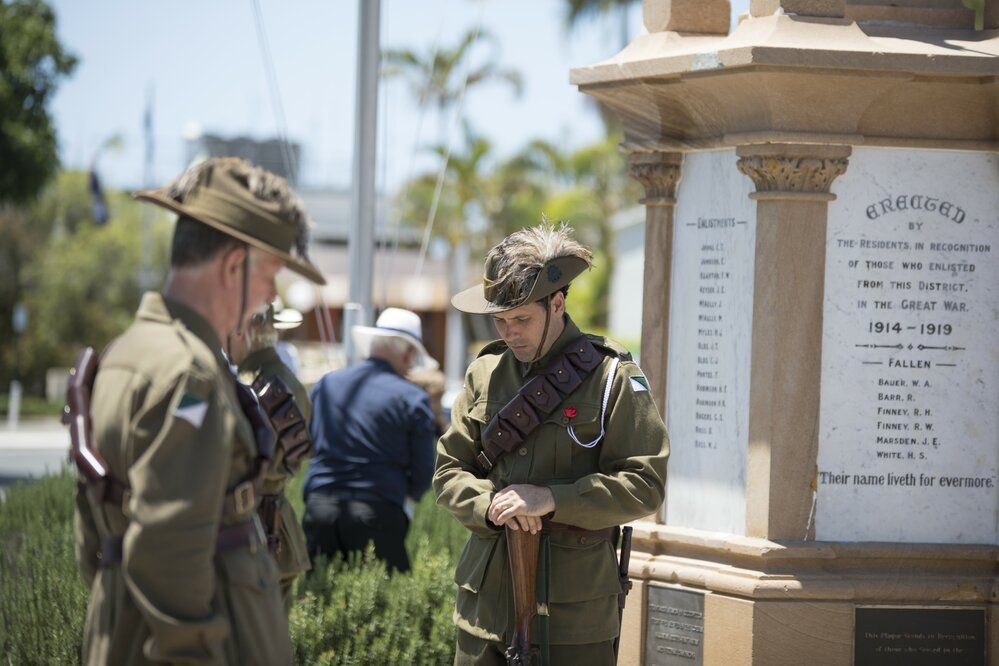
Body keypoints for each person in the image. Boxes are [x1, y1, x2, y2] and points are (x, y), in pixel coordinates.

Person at [72, 157, 325, 665]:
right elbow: (171, 545)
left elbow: (92, 531)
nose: (268, 297)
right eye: (270, 275)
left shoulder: (127, 351)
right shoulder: (190, 374)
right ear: (234, 265)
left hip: (122, 629)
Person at [434, 223, 669, 665]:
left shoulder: (611, 377)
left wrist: (550, 499)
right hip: (485, 607)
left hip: (573, 616)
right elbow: (448, 473)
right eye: (499, 321)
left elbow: (645, 484)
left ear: (557, 303)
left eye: (521, 319)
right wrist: (490, 503)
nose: (509, 332)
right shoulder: (484, 373)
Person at [303, 307, 438, 572]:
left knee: (318, 595)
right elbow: (423, 473)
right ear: (408, 353)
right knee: (381, 603)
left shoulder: (326, 384)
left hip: (320, 506)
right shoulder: (411, 398)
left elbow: (309, 443)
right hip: (377, 511)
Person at [229, 304, 314, 607]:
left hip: (247, 529)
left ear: (245, 332)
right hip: (279, 525)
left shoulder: (245, 384)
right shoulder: (289, 380)